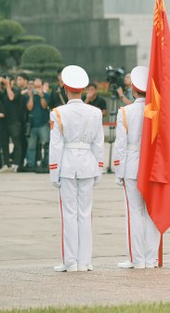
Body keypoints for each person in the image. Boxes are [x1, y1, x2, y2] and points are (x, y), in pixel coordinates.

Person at [49, 65, 104, 272]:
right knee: (85, 213)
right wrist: (99, 167)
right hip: (88, 163)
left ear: (65, 89)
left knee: (69, 214)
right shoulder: (95, 112)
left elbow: (56, 145)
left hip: (68, 164)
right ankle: (85, 261)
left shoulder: (58, 113)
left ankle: (70, 262)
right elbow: (99, 143)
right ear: (82, 90)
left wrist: (54, 170)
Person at [114, 66, 160, 269]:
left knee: (135, 212)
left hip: (132, 165)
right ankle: (151, 259)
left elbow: (120, 146)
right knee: (152, 213)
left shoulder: (125, 111)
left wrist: (119, 171)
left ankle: (137, 259)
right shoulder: (157, 111)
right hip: (154, 166)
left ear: (133, 90)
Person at [0, 76, 24, 172]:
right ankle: (6, 164)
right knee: (4, 144)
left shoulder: (16, 90)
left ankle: (16, 164)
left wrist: (7, 85)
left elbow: (11, 97)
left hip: (14, 122)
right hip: (4, 122)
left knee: (16, 143)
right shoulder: (2, 92)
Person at [24, 77, 51, 171]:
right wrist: (31, 96)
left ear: (42, 86)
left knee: (45, 145)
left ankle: (46, 163)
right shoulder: (28, 96)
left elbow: (44, 106)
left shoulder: (46, 95)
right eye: (35, 86)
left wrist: (41, 95)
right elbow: (29, 108)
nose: (37, 88)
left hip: (43, 124)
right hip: (32, 125)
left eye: (38, 86)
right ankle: (31, 164)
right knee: (31, 146)